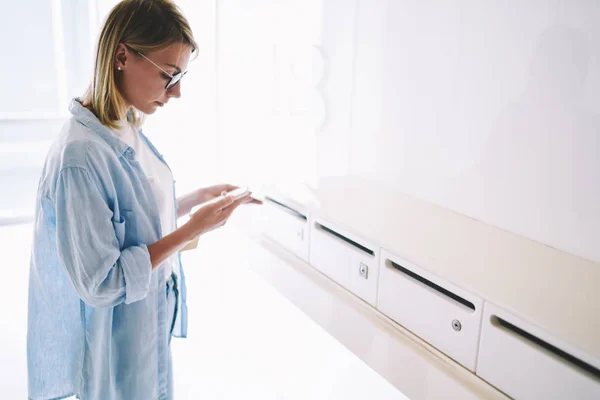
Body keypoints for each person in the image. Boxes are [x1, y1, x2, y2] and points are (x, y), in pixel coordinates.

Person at [27, 1, 259, 399]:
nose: (178, 92)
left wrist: (192, 202)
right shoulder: (79, 158)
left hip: (144, 329)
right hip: (113, 347)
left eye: (181, 75)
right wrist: (192, 228)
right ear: (121, 55)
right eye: (169, 75)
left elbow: (130, 218)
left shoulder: (124, 124)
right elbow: (102, 281)